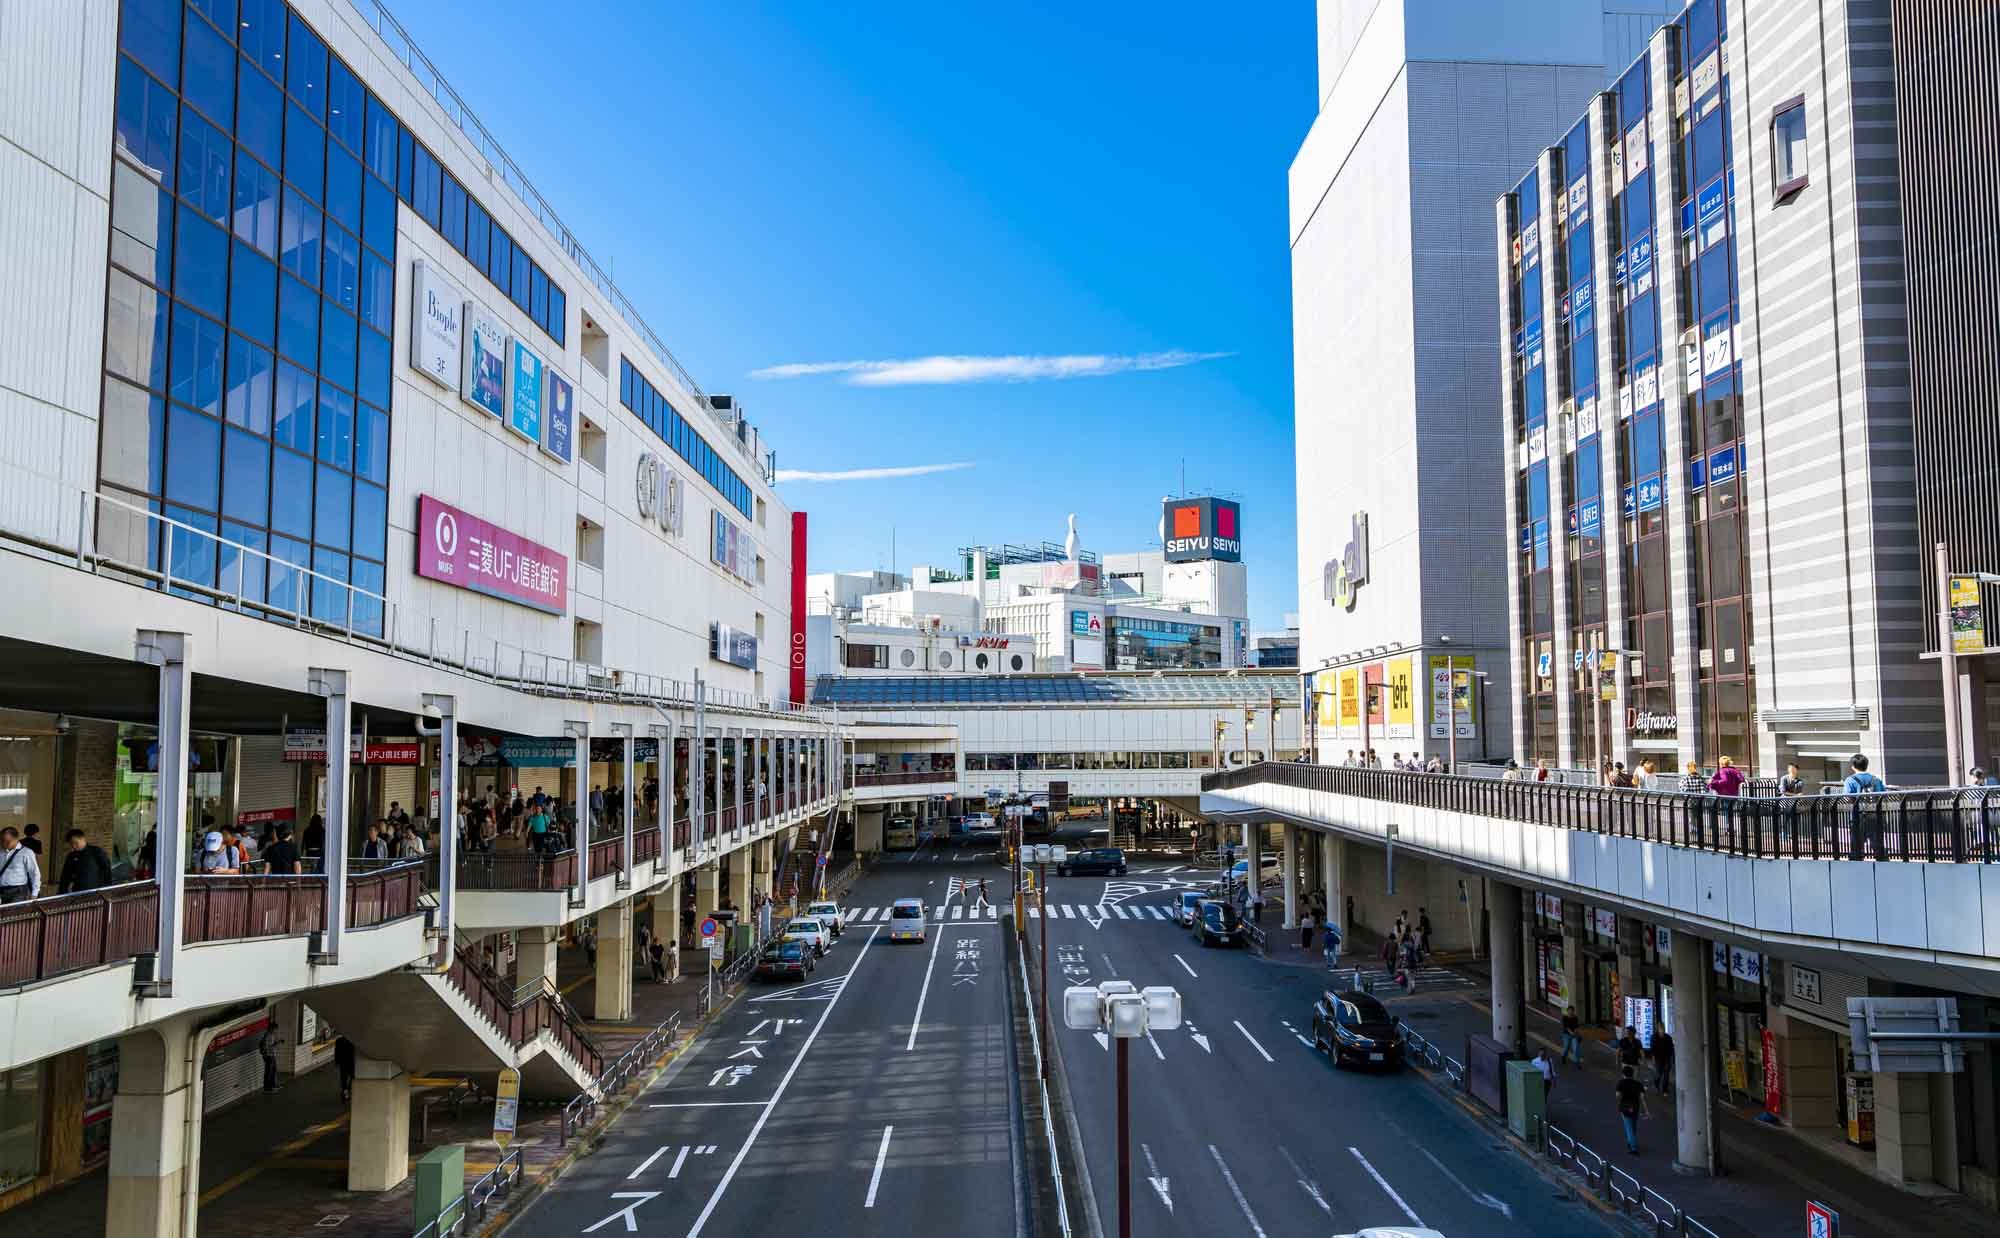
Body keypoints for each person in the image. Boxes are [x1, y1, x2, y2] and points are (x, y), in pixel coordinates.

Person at [1844, 753, 1887, 859]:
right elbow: (1884, 796)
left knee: (1857, 847)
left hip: (1857, 817)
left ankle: (1858, 865)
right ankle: (1882, 862)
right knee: (1878, 847)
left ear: (1853, 766)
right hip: (1875, 816)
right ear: (1867, 765)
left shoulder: (1850, 780)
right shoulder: (1876, 780)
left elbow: (1847, 798)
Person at [57, 828, 113, 893]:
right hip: (78, 893)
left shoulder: (96, 851)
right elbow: (65, 877)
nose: (73, 846)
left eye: (75, 843)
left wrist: (107, 890)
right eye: (71, 844)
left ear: (83, 839)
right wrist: (62, 893)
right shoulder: (71, 856)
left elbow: (107, 871)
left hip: (96, 892)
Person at [0, 827, 41, 903]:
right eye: (2, 841)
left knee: (13, 914)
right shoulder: (1, 852)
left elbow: (34, 873)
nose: (4, 844)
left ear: (16, 839)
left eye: (7, 841)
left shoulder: (26, 852)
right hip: (2, 890)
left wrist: (34, 894)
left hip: (18, 892)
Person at [1616, 1066, 1648, 1153]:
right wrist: (1646, 1111)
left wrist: (1619, 1102)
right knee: (1633, 1125)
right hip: (1635, 1107)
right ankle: (1630, 1141)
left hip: (1625, 1107)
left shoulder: (1621, 1083)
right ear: (1632, 1074)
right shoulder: (1638, 1084)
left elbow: (1618, 1096)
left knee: (1628, 1127)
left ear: (1623, 1074)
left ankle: (1633, 1147)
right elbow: (1642, 1098)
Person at [1651, 1027, 1676, 1095]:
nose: (1662, 1031)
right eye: (1660, 1029)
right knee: (1659, 1073)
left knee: (1666, 1074)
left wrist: (1672, 1059)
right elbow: (1653, 1048)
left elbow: (1671, 1048)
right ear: (1658, 1030)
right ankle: (1656, 1084)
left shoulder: (1668, 1037)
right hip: (1658, 1058)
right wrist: (1653, 1058)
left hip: (1666, 1058)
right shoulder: (1654, 1037)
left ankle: (1665, 1089)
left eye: (1663, 1029)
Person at [259, 1021, 281, 1093]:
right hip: (268, 1056)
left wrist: (277, 1042)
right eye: (275, 1029)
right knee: (268, 1072)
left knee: (273, 1070)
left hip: (272, 1055)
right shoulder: (268, 1035)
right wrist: (276, 1043)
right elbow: (267, 1047)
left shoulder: (272, 1035)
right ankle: (267, 1087)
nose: (276, 1030)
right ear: (271, 1028)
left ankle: (273, 1085)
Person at [335, 1036, 356, 1102]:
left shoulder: (339, 1040)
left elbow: (336, 1052)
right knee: (353, 1077)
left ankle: (344, 1091)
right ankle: (348, 1090)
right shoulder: (352, 1040)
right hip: (350, 1063)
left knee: (343, 1078)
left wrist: (337, 1062)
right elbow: (354, 1052)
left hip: (343, 1063)